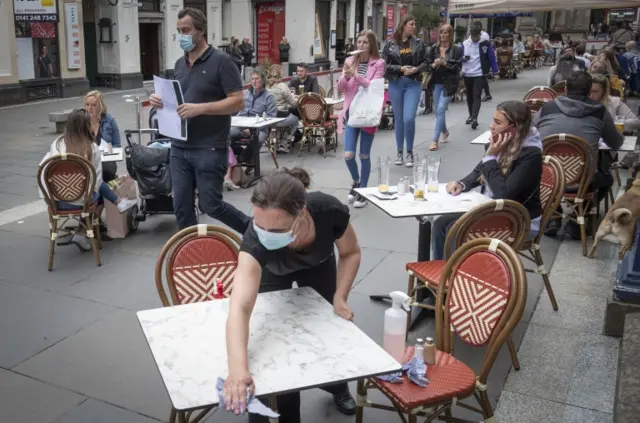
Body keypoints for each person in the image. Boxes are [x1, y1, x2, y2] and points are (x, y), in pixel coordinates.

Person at [223, 168, 361, 422]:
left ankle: (338, 387)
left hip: (318, 265)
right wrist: (237, 371)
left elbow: (351, 253)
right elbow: (239, 308)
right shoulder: (256, 240)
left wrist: (340, 296)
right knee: (270, 336)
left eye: (276, 230)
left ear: (303, 212)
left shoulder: (329, 210)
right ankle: (269, 405)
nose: (266, 235)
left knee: (328, 328)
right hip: (274, 271)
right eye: (259, 224)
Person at [149, 8, 250, 232]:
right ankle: (192, 253)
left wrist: (201, 109)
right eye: (178, 31)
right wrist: (160, 101)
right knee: (181, 208)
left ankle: (252, 231)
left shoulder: (223, 62)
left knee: (211, 204)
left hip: (209, 147)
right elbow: (177, 100)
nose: (181, 36)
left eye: (186, 30)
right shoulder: (178, 65)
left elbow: (237, 102)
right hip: (179, 147)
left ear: (201, 31)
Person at [432, 101, 542, 260]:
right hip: (495, 212)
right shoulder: (503, 144)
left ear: (514, 128)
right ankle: (441, 276)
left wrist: (491, 156)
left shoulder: (531, 155)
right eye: (493, 120)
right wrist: (462, 184)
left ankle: (457, 278)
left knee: (454, 230)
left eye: (497, 123)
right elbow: (480, 170)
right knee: (440, 223)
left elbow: (503, 194)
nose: (491, 126)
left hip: (520, 222)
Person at [534, 72, 624, 238]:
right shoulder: (600, 112)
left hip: (548, 179)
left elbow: (532, 136)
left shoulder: (546, 109)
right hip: (583, 181)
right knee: (606, 179)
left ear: (565, 89)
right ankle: (577, 219)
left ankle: (554, 216)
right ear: (590, 91)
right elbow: (616, 144)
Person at [48, 110, 137, 250]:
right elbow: (96, 181)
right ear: (86, 126)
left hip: (56, 201)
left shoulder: (56, 144)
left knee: (93, 184)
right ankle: (84, 230)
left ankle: (83, 231)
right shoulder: (92, 147)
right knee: (98, 187)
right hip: (81, 201)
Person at [337, 29, 385, 208]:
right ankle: (356, 182)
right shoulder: (350, 61)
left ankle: (363, 191)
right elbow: (341, 87)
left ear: (371, 44)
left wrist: (355, 76)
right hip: (351, 113)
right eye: (359, 42)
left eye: (365, 42)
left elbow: (372, 87)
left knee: (364, 155)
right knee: (348, 155)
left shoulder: (379, 63)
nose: (361, 45)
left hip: (368, 113)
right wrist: (345, 75)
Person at [382, 15, 428, 167]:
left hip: (413, 83)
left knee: (409, 118)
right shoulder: (390, 44)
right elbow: (383, 66)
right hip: (396, 83)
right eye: (411, 24)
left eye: (415, 24)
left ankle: (410, 151)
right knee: (399, 119)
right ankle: (400, 152)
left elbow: (426, 61)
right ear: (403, 25)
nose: (414, 27)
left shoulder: (419, 43)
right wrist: (400, 69)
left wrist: (417, 69)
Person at [426, 24, 462, 151]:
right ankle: (445, 131)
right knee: (438, 110)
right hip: (436, 81)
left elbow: (457, 67)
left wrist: (445, 64)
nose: (442, 35)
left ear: (450, 34)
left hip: (449, 82)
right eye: (441, 32)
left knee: (440, 109)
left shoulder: (456, 49)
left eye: (446, 33)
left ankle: (435, 140)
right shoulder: (434, 48)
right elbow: (427, 64)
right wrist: (433, 65)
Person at [230, 69, 277, 166]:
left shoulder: (269, 97)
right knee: (226, 134)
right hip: (241, 126)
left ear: (263, 80)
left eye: (257, 79)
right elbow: (239, 111)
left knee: (257, 139)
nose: (254, 81)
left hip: (260, 129)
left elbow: (271, 119)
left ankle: (242, 158)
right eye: (252, 79)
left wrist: (251, 130)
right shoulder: (246, 93)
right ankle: (239, 154)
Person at [462, 25, 498, 130]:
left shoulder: (485, 44)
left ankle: (474, 118)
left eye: (476, 36)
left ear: (479, 35)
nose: (474, 38)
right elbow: (460, 56)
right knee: (469, 96)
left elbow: (491, 57)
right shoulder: (465, 44)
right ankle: (471, 115)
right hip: (468, 73)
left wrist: (495, 70)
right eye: (472, 36)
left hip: (479, 73)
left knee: (477, 95)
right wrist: (463, 59)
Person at [84, 90, 121, 183]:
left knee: (105, 170)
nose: (89, 108)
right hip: (88, 162)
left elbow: (117, 145)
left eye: (93, 105)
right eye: (87, 104)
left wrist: (109, 152)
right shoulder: (82, 122)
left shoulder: (110, 120)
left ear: (100, 106)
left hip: (106, 162)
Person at [267, 64, 299, 153]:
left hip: (268, 119)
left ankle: (274, 141)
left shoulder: (267, 86)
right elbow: (293, 104)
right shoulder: (282, 86)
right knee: (296, 121)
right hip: (280, 118)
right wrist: (296, 98)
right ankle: (284, 143)